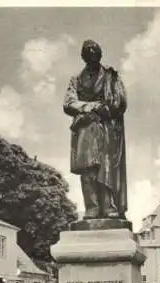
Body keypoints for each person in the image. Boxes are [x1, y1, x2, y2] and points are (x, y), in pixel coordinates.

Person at [63, 39, 128, 220]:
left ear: (100, 56)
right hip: (85, 127)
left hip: (107, 128)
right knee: (87, 170)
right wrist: (92, 106)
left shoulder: (111, 76)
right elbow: (68, 103)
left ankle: (108, 207)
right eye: (88, 55)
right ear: (83, 58)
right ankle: (92, 207)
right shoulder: (76, 80)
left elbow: (120, 101)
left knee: (106, 168)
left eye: (95, 55)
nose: (92, 58)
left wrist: (106, 109)